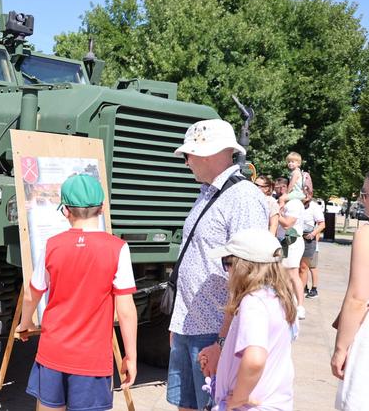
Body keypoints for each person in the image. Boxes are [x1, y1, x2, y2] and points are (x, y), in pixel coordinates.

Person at [168, 119, 269, 411]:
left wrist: (222, 343)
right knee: (186, 405)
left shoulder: (243, 198)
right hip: (191, 325)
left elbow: (249, 276)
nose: (185, 162)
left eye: (188, 155)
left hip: (214, 330)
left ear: (210, 153)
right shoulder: (207, 192)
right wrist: (179, 322)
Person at [16, 174, 138, 411]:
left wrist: (26, 322)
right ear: (102, 208)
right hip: (92, 361)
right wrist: (130, 355)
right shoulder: (118, 249)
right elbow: (126, 311)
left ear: (66, 211)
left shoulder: (51, 245)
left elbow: (33, 293)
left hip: (52, 353)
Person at [206, 228, 297, 410]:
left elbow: (255, 359)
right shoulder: (282, 298)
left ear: (243, 266)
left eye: (227, 263)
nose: (227, 271)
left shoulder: (253, 302)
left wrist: (239, 398)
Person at [331, 175, 369, 411]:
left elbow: (358, 297)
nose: (362, 201)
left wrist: (341, 348)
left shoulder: (366, 235)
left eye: (364, 194)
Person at [274, 177, 306, 319]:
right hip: (282, 241)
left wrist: (275, 213)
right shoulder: (283, 202)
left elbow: (287, 224)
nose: (278, 191)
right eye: (276, 188)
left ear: (286, 188)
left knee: (293, 273)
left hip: (292, 241)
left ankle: (300, 306)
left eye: (280, 188)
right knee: (283, 274)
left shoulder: (294, 203)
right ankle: (287, 302)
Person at [299, 190, 325, 299]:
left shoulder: (314, 207)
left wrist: (313, 234)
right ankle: (303, 288)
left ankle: (314, 289)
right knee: (299, 267)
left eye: (308, 193)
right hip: (297, 239)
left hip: (310, 242)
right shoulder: (296, 204)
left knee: (311, 267)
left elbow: (321, 225)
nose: (306, 195)